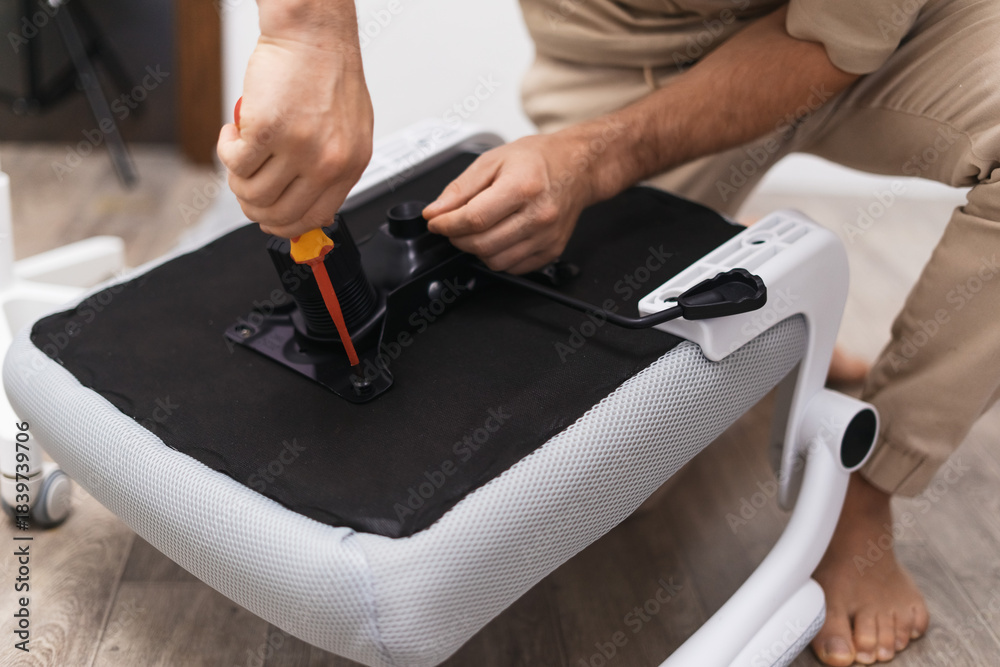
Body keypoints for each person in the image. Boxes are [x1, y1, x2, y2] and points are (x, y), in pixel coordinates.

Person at [218, 0, 1000, 664]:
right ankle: (757, 280)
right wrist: (306, 36)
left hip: (882, 36)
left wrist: (595, 159)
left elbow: (832, 43)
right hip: (625, 49)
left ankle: (866, 487)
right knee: (623, 484)